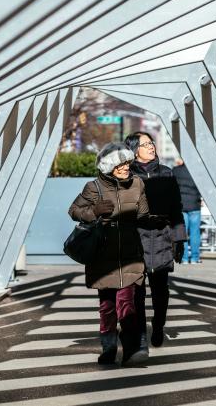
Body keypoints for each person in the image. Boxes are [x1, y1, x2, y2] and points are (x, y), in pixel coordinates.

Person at [68, 142, 149, 366]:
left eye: (127, 162)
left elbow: (143, 214)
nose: (126, 167)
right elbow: (73, 211)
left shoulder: (138, 184)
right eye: (120, 164)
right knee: (107, 306)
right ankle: (109, 348)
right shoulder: (93, 187)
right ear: (108, 167)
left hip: (131, 254)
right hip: (103, 256)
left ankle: (131, 349)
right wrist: (93, 212)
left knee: (127, 303)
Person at [124, 132, 186, 350]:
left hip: (162, 239)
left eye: (151, 143)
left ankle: (158, 325)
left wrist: (179, 239)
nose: (151, 147)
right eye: (145, 144)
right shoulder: (127, 175)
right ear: (134, 150)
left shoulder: (167, 173)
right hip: (136, 240)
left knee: (161, 291)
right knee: (137, 293)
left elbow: (176, 209)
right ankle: (141, 333)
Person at [172, 159, 202, 264]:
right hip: (195, 204)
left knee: (182, 233)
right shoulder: (197, 171)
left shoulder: (175, 170)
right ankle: (194, 258)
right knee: (195, 233)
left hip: (181, 205)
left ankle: (184, 258)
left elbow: (172, 187)